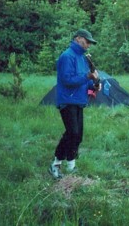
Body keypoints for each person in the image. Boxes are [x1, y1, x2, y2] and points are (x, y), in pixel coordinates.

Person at [49, 29, 101, 179]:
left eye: (90, 43)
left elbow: (84, 82)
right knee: (72, 133)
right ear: (78, 38)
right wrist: (87, 76)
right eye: (87, 41)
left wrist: (94, 86)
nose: (89, 45)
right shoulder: (67, 56)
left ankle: (71, 166)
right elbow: (67, 80)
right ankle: (55, 164)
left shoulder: (82, 58)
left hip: (79, 100)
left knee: (78, 136)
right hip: (67, 100)